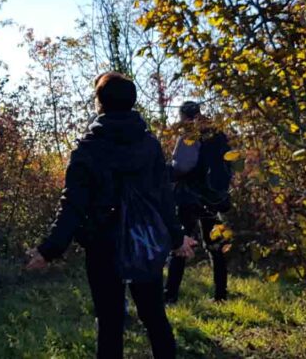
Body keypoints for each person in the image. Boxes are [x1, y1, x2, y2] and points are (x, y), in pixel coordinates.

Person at [26, 72, 196, 359]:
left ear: (99, 103)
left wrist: (49, 250)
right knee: (155, 317)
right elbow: (163, 197)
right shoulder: (149, 145)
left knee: (110, 323)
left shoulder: (88, 149)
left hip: (102, 243)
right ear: (132, 102)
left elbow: (72, 205)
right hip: (145, 241)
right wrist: (177, 237)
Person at [165, 101, 233, 304]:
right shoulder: (217, 134)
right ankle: (221, 294)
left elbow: (183, 166)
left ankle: (170, 296)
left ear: (184, 116)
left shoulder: (190, 133)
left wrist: (167, 172)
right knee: (214, 244)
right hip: (213, 198)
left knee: (181, 242)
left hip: (190, 196)